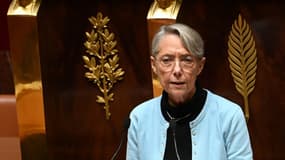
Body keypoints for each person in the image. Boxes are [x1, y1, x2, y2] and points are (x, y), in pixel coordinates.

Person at [126, 23, 253, 160]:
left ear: (200, 66)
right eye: (167, 60)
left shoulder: (229, 116)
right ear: (154, 65)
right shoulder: (139, 118)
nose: (177, 70)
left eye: (186, 60)